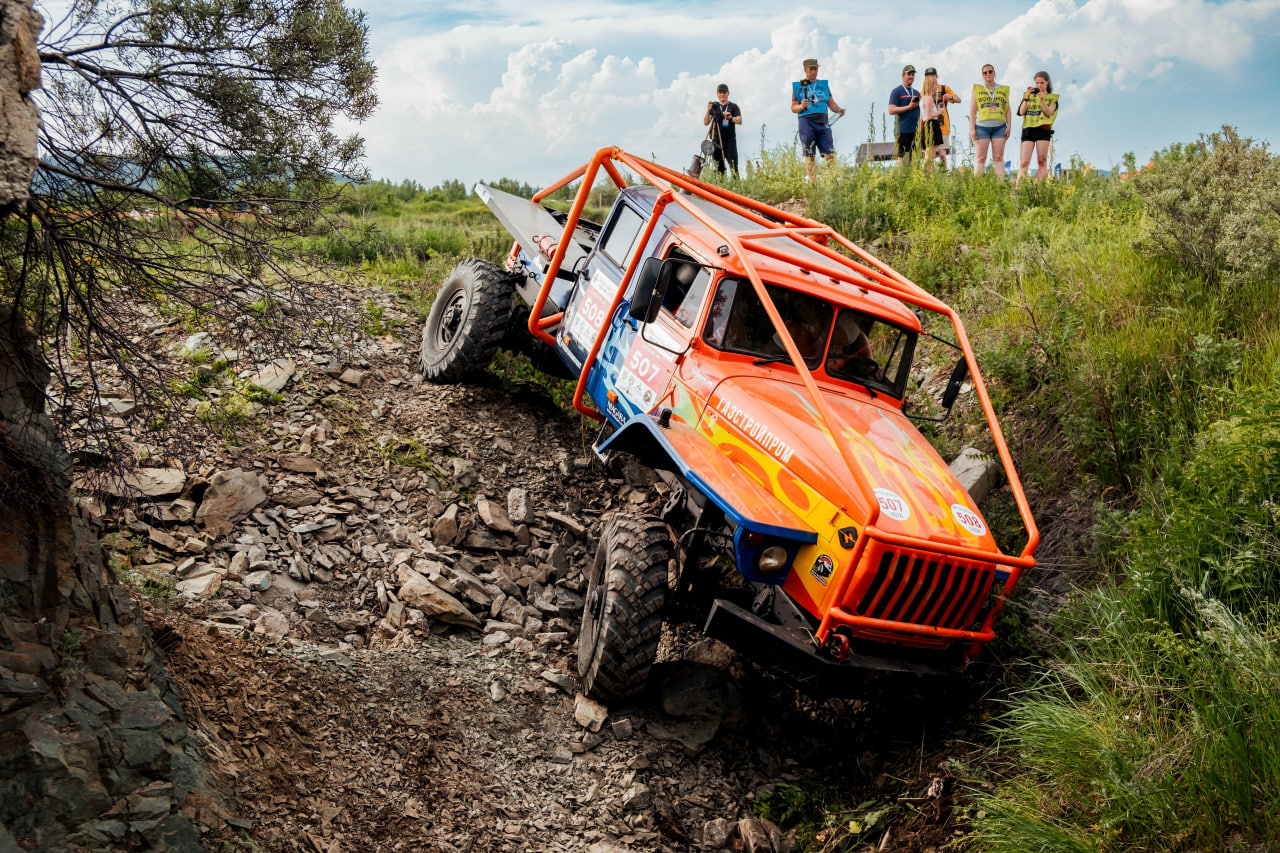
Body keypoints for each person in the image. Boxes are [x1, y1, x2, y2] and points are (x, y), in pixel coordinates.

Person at [791, 58, 846, 181]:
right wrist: (801, 106)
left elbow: (830, 102)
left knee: (830, 153)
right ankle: (813, 183)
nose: (814, 71)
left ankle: (832, 181)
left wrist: (838, 110)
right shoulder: (799, 86)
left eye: (815, 69)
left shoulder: (823, 85)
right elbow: (793, 107)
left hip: (823, 122)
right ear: (805, 70)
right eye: (811, 69)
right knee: (810, 154)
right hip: (806, 121)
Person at [969, 64, 1011, 177]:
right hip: (981, 127)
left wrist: (1009, 126)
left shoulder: (1002, 89)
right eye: (985, 73)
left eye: (990, 72)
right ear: (982, 75)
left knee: (998, 158)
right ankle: (978, 187)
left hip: (999, 127)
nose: (988, 74)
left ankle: (1000, 186)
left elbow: (1007, 109)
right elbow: (972, 111)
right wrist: (972, 129)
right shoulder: (977, 90)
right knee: (981, 158)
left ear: (994, 73)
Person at [1017, 71, 1059, 183]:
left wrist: (1042, 100)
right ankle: (1019, 189)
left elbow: (1049, 113)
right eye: (1037, 83)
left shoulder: (1052, 98)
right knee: (1024, 162)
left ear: (1047, 82)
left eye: (1041, 83)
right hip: (1028, 129)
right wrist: (1026, 98)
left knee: (1042, 160)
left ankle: (1040, 189)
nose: (1039, 85)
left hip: (1043, 130)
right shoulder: (1028, 95)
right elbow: (1021, 112)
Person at [703, 84, 742, 177]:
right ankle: (721, 189)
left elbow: (740, 121)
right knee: (719, 170)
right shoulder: (715, 107)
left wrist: (730, 117)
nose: (722, 95)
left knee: (734, 168)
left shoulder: (733, 106)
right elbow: (706, 122)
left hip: (730, 141)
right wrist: (708, 110)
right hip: (716, 142)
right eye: (720, 92)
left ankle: (737, 188)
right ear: (717, 94)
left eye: (724, 92)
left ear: (728, 93)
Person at [927, 68, 961, 168]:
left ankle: (943, 175)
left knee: (942, 154)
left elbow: (958, 99)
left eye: (933, 75)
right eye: (928, 76)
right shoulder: (924, 91)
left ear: (937, 76)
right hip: (930, 126)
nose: (931, 78)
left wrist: (950, 97)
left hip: (943, 126)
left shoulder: (944, 88)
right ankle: (931, 178)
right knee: (930, 156)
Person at [888, 65, 920, 165]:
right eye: (909, 74)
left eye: (913, 74)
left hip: (915, 130)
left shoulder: (916, 93)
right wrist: (909, 107)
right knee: (901, 157)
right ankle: (900, 178)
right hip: (902, 130)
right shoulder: (897, 91)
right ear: (903, 75)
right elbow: (891, 110)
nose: (911, 77)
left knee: (913, 157)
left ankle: (910, 179)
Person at [918, 70, 944, 171]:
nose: (937, 87)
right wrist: (939, 112)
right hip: (931, 125)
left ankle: (930, 176)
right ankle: (926, 175)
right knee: (930, 156)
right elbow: (928, 116)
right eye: (935, 84)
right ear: (930, 85)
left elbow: (922, 117)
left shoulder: (924, 98)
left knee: (930, 156)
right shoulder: (928, 99)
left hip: (927, 126)